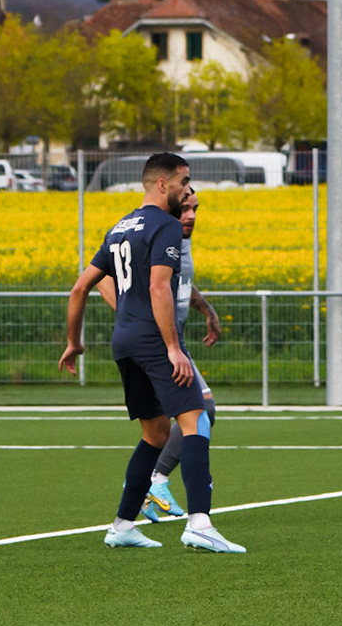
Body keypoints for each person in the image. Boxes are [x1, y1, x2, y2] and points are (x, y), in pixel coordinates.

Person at [59, 153, 244, 552]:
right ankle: (199, 522)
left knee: (156, 433)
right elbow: (160, 287)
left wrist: (73, 342)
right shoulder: (164, 226)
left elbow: (79, 288)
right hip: (153, 340)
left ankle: (123, 525)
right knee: (196, 419)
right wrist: (174, 348)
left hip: (124, 342)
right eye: (184, 182)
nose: (187, 190)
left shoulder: (121, 226)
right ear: (163, 184)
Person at [96, 187, 222, 522]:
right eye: (185, 208)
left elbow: (176, 283)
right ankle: (163, 488)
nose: (191, 215)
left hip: (166, 340)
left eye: (196, 208)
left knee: (158, 431)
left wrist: (206, 309)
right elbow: (101, 280)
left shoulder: (179, 239)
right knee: (200, 411)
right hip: (158, 343)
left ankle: (131, 513)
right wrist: (135, 316)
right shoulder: (155, 231)